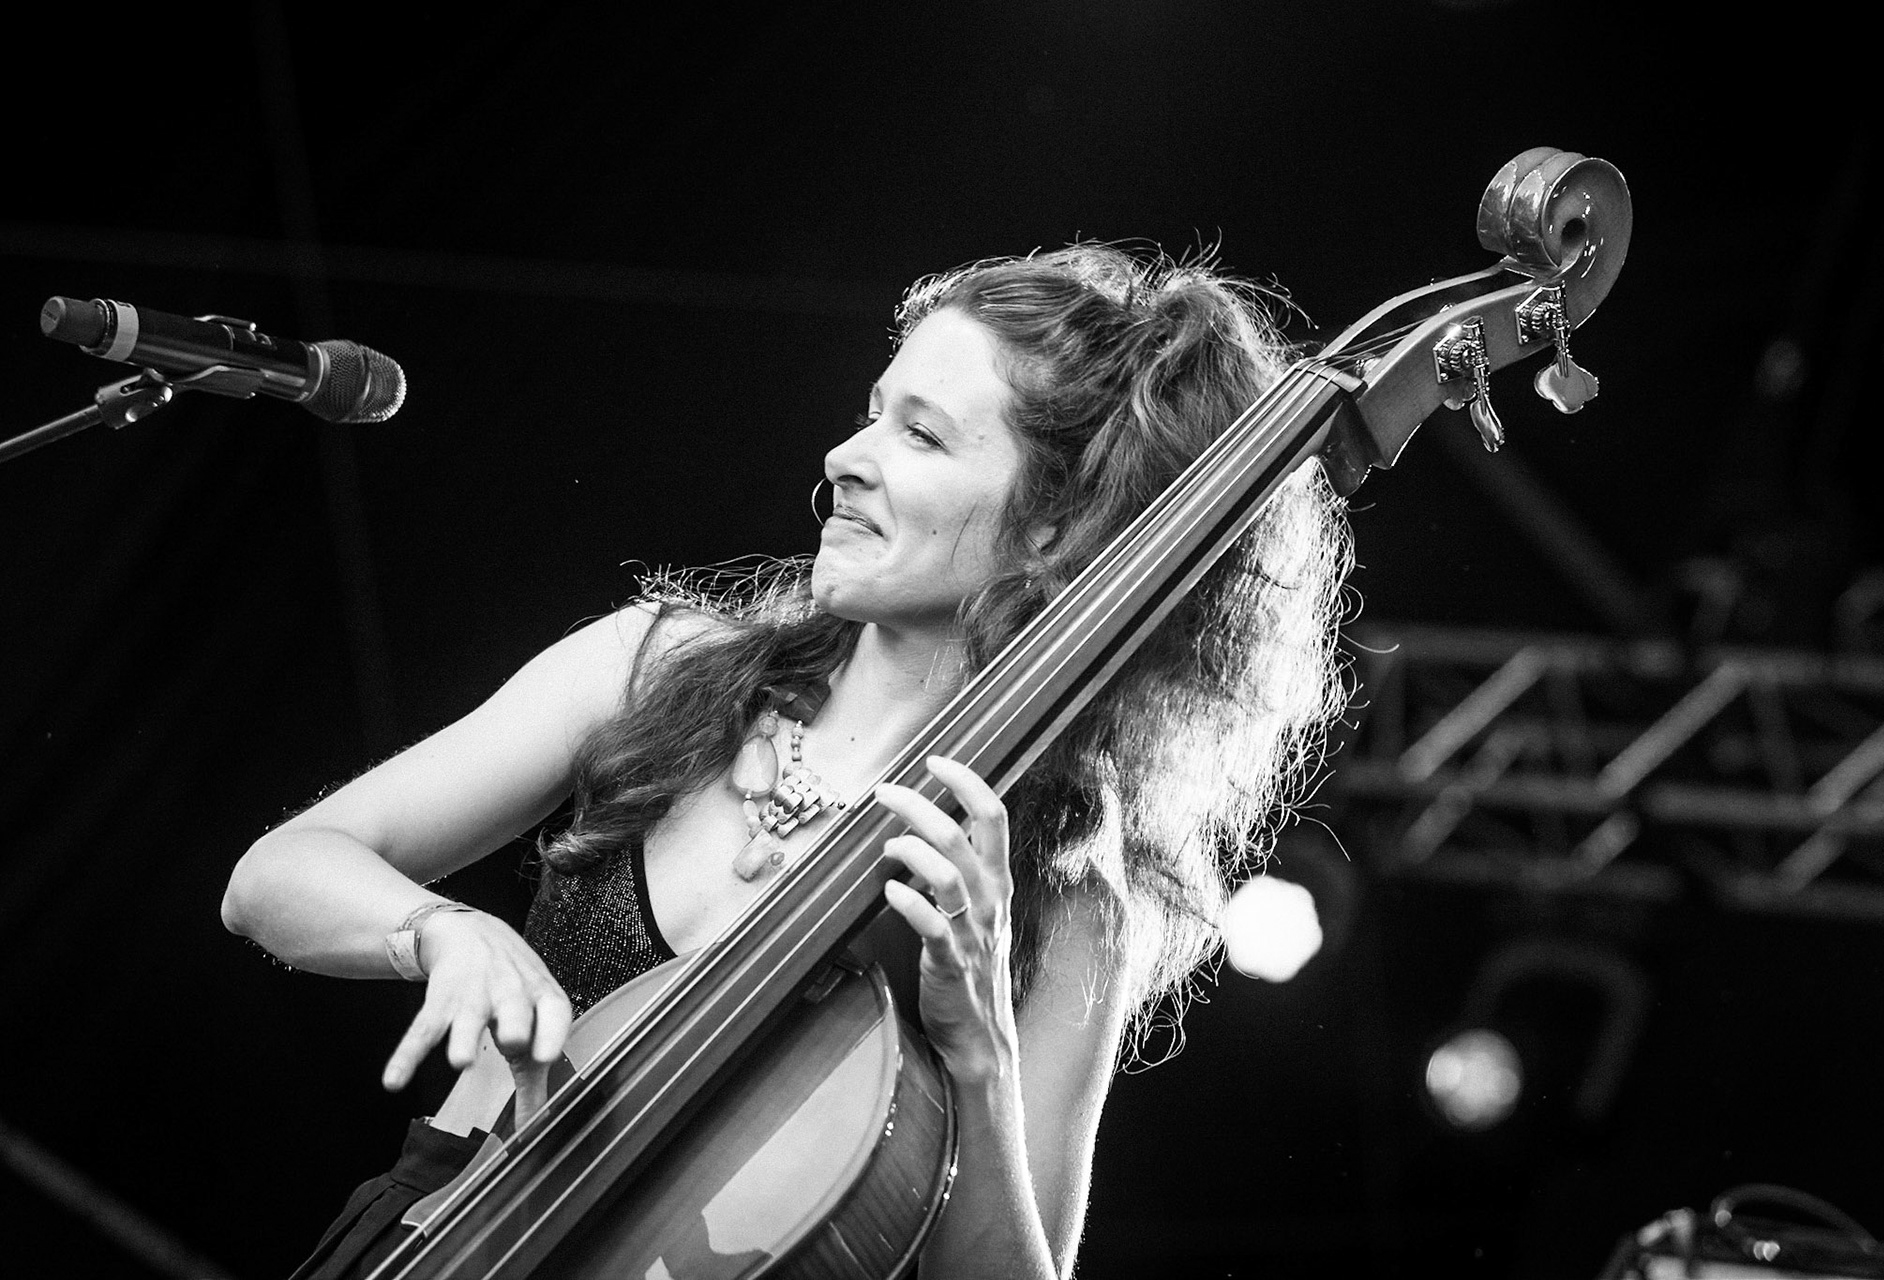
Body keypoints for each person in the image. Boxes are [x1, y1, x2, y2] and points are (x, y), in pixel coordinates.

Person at [222, 243, 1351, 1278]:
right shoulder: (657, 663)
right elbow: (274, 876)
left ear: (1055, 526)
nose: (844, 457)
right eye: (872, 412)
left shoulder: (1060, 888)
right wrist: (437, 926)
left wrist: (981, 1057)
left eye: (919, 434)